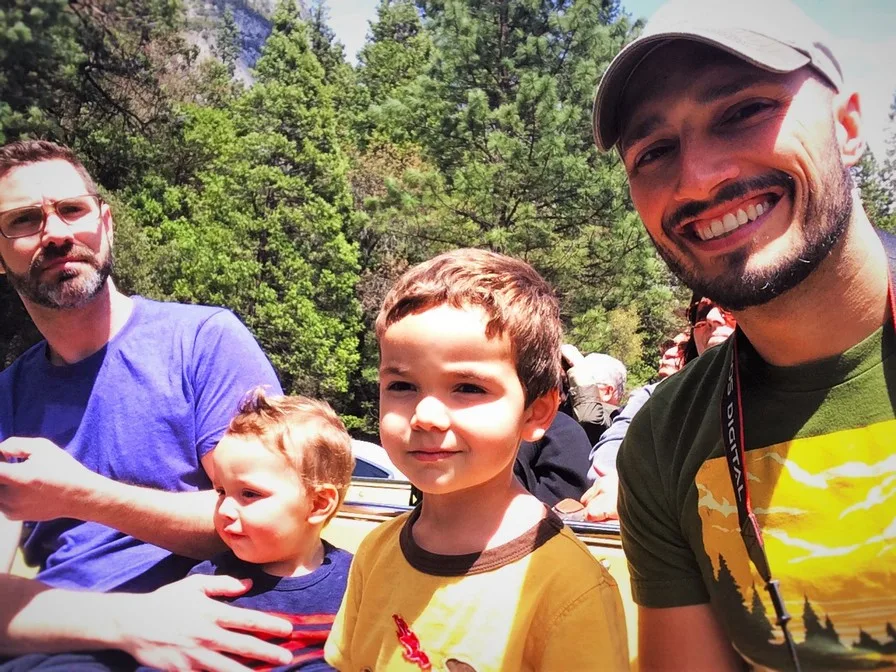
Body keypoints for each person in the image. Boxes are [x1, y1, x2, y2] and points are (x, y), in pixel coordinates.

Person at [592, 0, 896, 668]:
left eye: (743, 111)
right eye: (655, 151)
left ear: (848, 126)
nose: (699, 177)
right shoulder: (665, 443)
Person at [0, 140, 293, 670]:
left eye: (71, 209)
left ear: (105, 223)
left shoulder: (205, 341)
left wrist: (83, 495)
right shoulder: (7, 400)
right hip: (70, 639)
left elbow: (274, 515)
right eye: (23, 220)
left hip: (216, 619)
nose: (58, 234)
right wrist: (130, 625)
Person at [324, 248, 628, 670]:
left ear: (536, 412)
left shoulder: (569, 588)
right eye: (401, 386)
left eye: (467, 388)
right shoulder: (376, 551)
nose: (425, 415)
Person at [158, 389, 354, 671]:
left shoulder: (356, 582)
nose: (224, 509)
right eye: (221, 491)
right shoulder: (211, 582)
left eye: (249, 494)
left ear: (317, 504)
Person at [581, 295, 735, 522]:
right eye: (701, 313)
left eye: (728, 306)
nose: (712, 318)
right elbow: (611, 450)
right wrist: (623, 483)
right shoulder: (655, 397)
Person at [560, 346, 627, 445]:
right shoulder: (566, 410)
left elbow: (589, 419)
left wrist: (579, 367)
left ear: (607, 392)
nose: (574, 390)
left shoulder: (620, 421)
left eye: (588, 384)